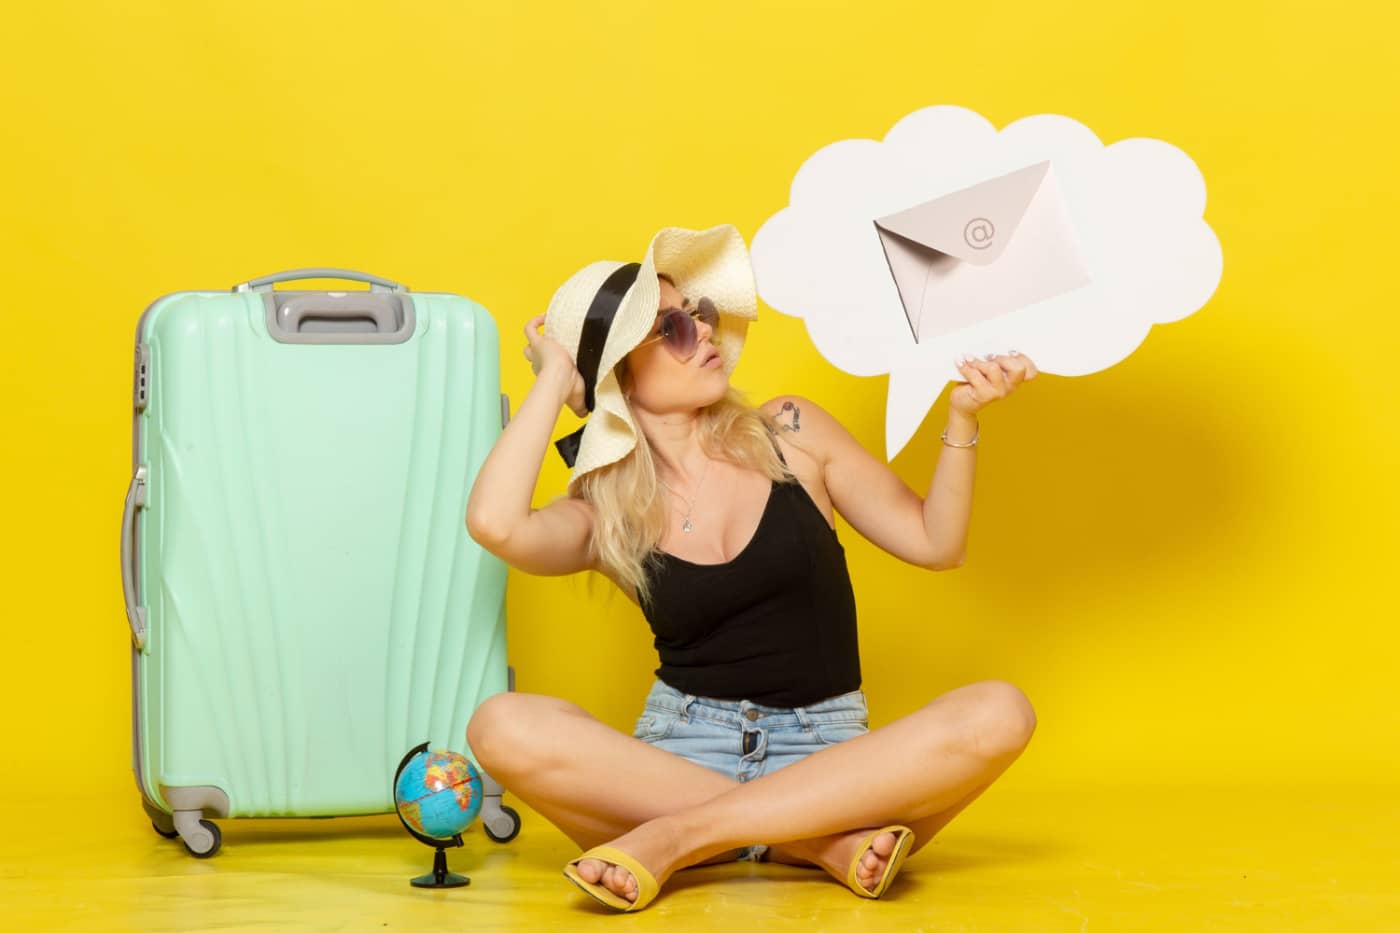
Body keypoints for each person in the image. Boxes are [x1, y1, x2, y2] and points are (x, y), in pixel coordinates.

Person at [464, 224, 1039, 912]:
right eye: (672, 329)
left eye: (698, 314)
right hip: (675, 760)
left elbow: (935, 542)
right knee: (498, 724)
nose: (704, 332)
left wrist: (964, 415)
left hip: (831, 757)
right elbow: (496, 523)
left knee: (1000, 711)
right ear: (620, 374)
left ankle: (682, 839)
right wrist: (559, 376)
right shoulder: (603, 512)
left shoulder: (790, 432)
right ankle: (815, 842)